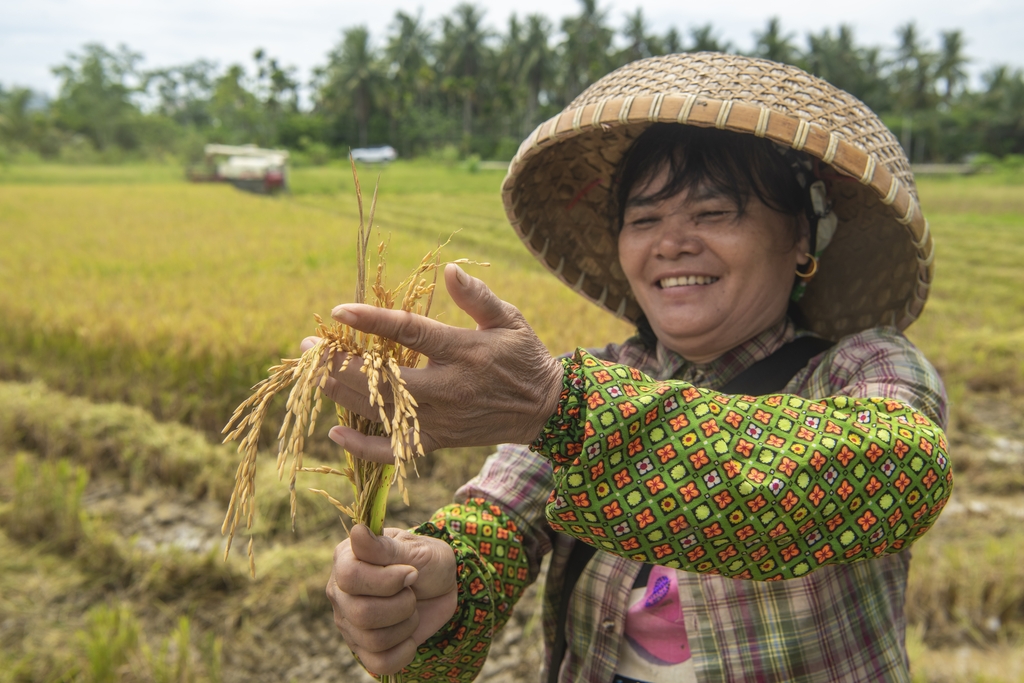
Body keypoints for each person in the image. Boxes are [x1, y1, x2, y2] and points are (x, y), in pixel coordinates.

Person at [315, 53, 950, 682]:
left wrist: (561, 410)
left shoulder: (863, 367)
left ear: (802, 237)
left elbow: (897, 469)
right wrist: (435, 575)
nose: (671, 242)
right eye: (644, 219)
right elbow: (500, 518)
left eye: (713, 213)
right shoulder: (590, 375)